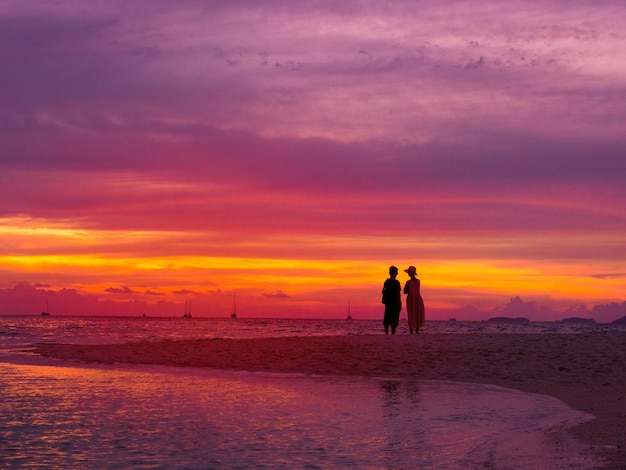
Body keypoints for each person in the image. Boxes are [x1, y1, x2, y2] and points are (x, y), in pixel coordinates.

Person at [403, 265, 425, 333]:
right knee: (417, 314)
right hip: (418, 299)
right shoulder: (418, 281)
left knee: (411, 314)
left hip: (411, 299)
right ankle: (417, 331)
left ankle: (411, 331)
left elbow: (405, 291)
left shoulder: (408, 282)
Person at [382, 265, 402, 335]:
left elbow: (383, 291)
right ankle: (393, 332)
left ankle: (386, 333)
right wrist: (399, 303)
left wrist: (384, 299)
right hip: (394, 302)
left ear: (389, 273)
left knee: (387, 317)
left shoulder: (387, 281)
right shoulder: (396, 282)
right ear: (396, 273)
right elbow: (398, 294)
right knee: (394, 318)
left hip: (388, 302)